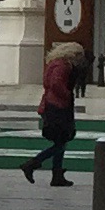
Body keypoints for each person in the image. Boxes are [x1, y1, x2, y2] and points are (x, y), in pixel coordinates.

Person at [21, 38, 86, 187]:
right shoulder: (63, 66)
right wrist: (67, 95)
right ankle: (33, 163)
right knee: (60, 143)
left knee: (61, 141)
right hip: (57, 106)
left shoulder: (55, 63)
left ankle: (57, 175)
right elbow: (56, 84)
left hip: (52, 104)